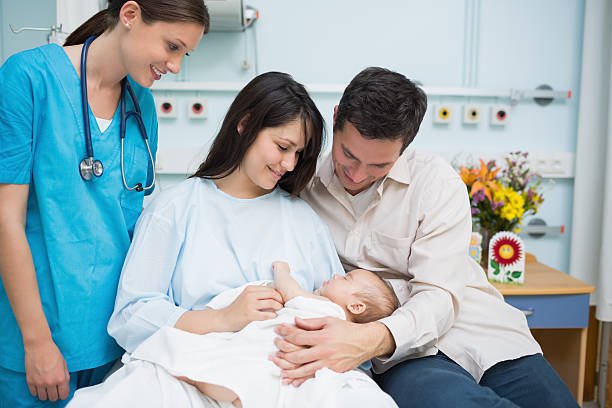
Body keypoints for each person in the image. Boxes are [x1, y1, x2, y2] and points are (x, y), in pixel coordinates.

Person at [69, 71, 394, 407]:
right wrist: (222, 319)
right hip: (194, 370)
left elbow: (340, 321)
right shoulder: (177, 208)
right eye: (283, 147)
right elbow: (132, 316)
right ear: (245, 124)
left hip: (286, 374)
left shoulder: (303, 221)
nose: (288, 163)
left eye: (298, 154)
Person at [273, 67, 579, 408]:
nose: (358, 175)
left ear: (404, 148)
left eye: (379, 166)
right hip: (403, 355)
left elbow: (438, 296)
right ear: (336, 119)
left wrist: (367, 338)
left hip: (479, 330)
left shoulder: (436, 183)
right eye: (349, 155)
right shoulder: (302, 183)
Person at [0, 1, 208, 406]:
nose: (175, 65)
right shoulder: (27, 79)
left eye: (185, 53)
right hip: (39, 340)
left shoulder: (141, 106)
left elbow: (132, 226)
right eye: (171, 46)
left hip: (114, 340)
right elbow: (5, 220)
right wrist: (37, 341)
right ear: (130, 15)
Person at [111, 262, 399, 408]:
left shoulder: (323, 308)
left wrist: (282, 269)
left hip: (270, 346)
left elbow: (289, 288)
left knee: (245, 362)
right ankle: (231, 394)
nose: (337, 275)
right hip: (280, 354)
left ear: (356, 306)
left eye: (346, 279)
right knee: (264, 379)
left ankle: (207, 380)